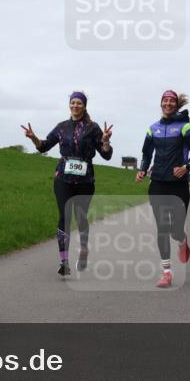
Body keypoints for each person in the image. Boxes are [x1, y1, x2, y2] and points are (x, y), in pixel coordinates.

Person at [22, 92, 113, 276]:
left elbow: (106, 155)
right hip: (63, 178)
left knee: (80, 218)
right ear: (69, 105)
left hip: (85, 180)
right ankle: (64, 261)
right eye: (73, 102)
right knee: (64, 216)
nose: (75, 105)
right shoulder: (62, 127)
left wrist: (105, 141)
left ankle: (84, 249)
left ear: (84, 106)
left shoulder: (93, 128)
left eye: (79, 103)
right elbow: (44, 146)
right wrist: (33, 137)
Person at [136, 90, 190, 288]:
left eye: (172, 101)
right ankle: (166, 272)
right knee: (163, 228)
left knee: (175, 230)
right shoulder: (152, 129)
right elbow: (146, 153)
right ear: (161, 103)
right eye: (165, 100)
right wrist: (142, 169)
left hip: (178, 185)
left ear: (176, 104)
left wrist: (186, 167)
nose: (168, 103)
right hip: (157, 183)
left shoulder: (185, 127)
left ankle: (182, 240)